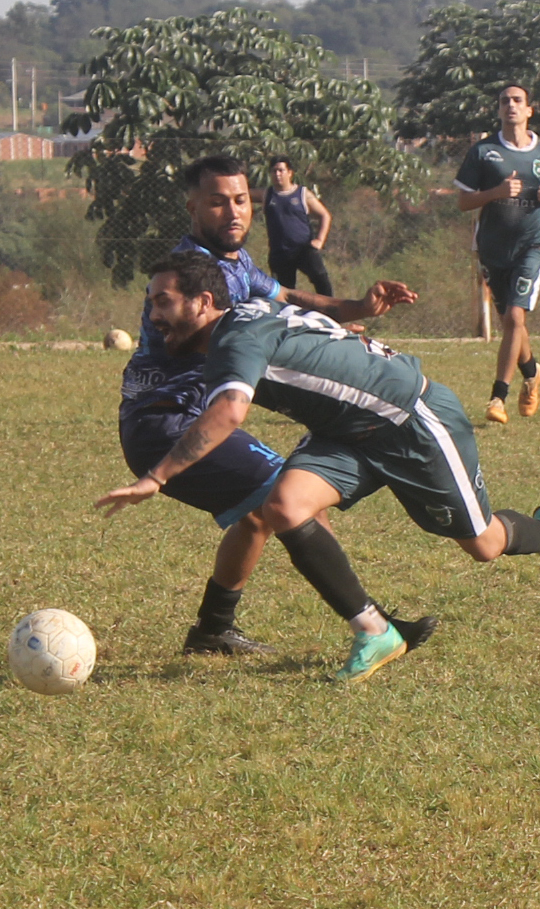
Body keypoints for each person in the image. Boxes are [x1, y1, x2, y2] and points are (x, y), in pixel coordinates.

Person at [98, 252, 540, 684]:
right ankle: (375, 631)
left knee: (484, 544)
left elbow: (229, 411)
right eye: (152, 303)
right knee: (283, 506)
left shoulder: (233, 339)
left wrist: (156, 476)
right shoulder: (246, 318)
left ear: (204, 302)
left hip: (411, 420)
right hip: (345, 431)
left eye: (163, 302)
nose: (153, 316)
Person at [117, 154, 420, 655]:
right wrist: (326, 335)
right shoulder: (192, 275)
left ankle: (212, 630)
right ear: (193, 208)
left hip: (182, 416)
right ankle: (373, 623)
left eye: (241, 200)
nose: (233, 212)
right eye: (217, 202)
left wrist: (357, 308)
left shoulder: (235, 263)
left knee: (261, 513)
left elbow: (289, 300)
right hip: (165, 421)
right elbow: (263, 328)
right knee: (291, 497)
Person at [455, 83, 540, 425]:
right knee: (510, 321)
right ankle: (532, 373)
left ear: (529, 110)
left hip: (532, 243)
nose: (511, 105)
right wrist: (496, 192)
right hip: (492, 247)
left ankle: (498, 398)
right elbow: (463, 201)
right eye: (505, 101)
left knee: (515, 317)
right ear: (499, 109)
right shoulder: (483, 152)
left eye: (518, 100)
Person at [261, 156, 333, 295]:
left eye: (281, 170)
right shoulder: (267, 195)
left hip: (304, 249)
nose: (277, 174)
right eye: (274, 171)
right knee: (283, 292)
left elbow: (325, 215)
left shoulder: (303, 194)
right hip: (280, 252)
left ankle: (330, 306)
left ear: (290, 173)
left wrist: (320, 240)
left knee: (320, 278)